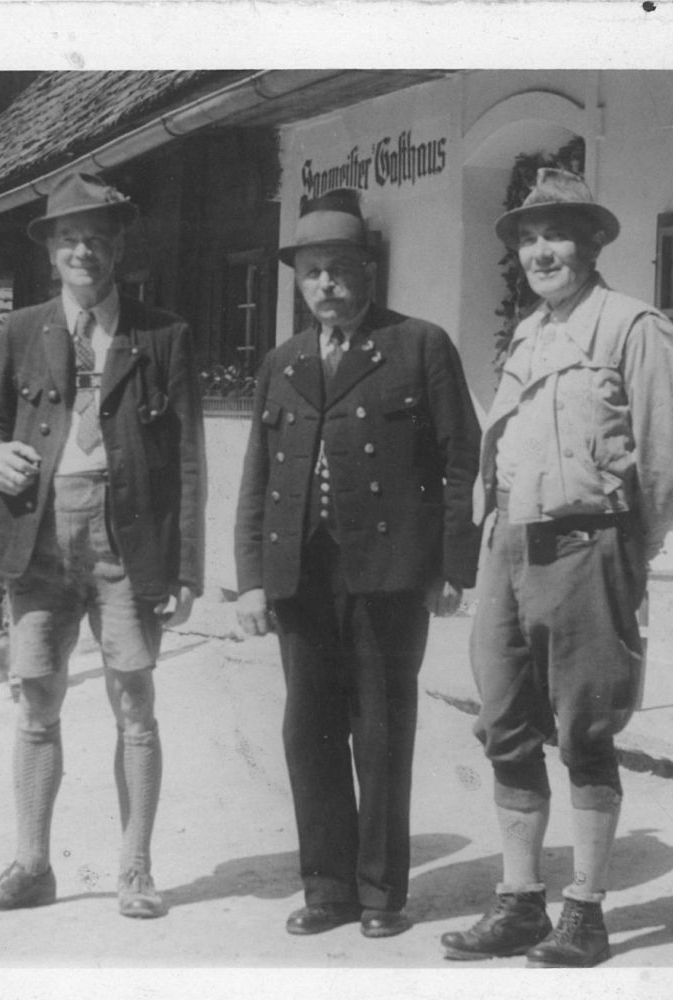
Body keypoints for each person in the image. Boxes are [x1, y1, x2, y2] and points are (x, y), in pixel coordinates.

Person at [439, 168, 673, 967]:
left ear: (590, 244)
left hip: (589, 545)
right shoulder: (528, 331)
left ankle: (584, 910)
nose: (541, 252)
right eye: (528, 238)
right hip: (510, 545)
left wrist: (626, 554)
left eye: (556, 235)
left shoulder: (632, 326)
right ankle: (520, 901)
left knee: (585, 729)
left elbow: (666, 458)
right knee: (505, 724)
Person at [234, 188, 480, 939]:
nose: (327, 284)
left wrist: (454, 567)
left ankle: (380, 894)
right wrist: (251, 579)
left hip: (389, 572)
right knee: (306, 731)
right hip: (301, 573)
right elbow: (258, 476)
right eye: (313, 272)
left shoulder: (418, 345)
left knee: (380, 730)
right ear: (299, 281)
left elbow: (461, 459)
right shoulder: (283, 361)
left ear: (368, 272)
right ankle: (327, 889)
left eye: (340, 269)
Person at [0, 173, 204, 921]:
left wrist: (187, 567)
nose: (83, 252)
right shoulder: (22, 330)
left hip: (127, 542)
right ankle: (32, 866)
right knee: (37, 699)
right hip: (37, 539)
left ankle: (135, 870)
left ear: (119, 249)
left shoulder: (163, 335)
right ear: (51, 252)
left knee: (134, 700)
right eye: (69, 239)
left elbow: (188, 460)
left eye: (97, 239)